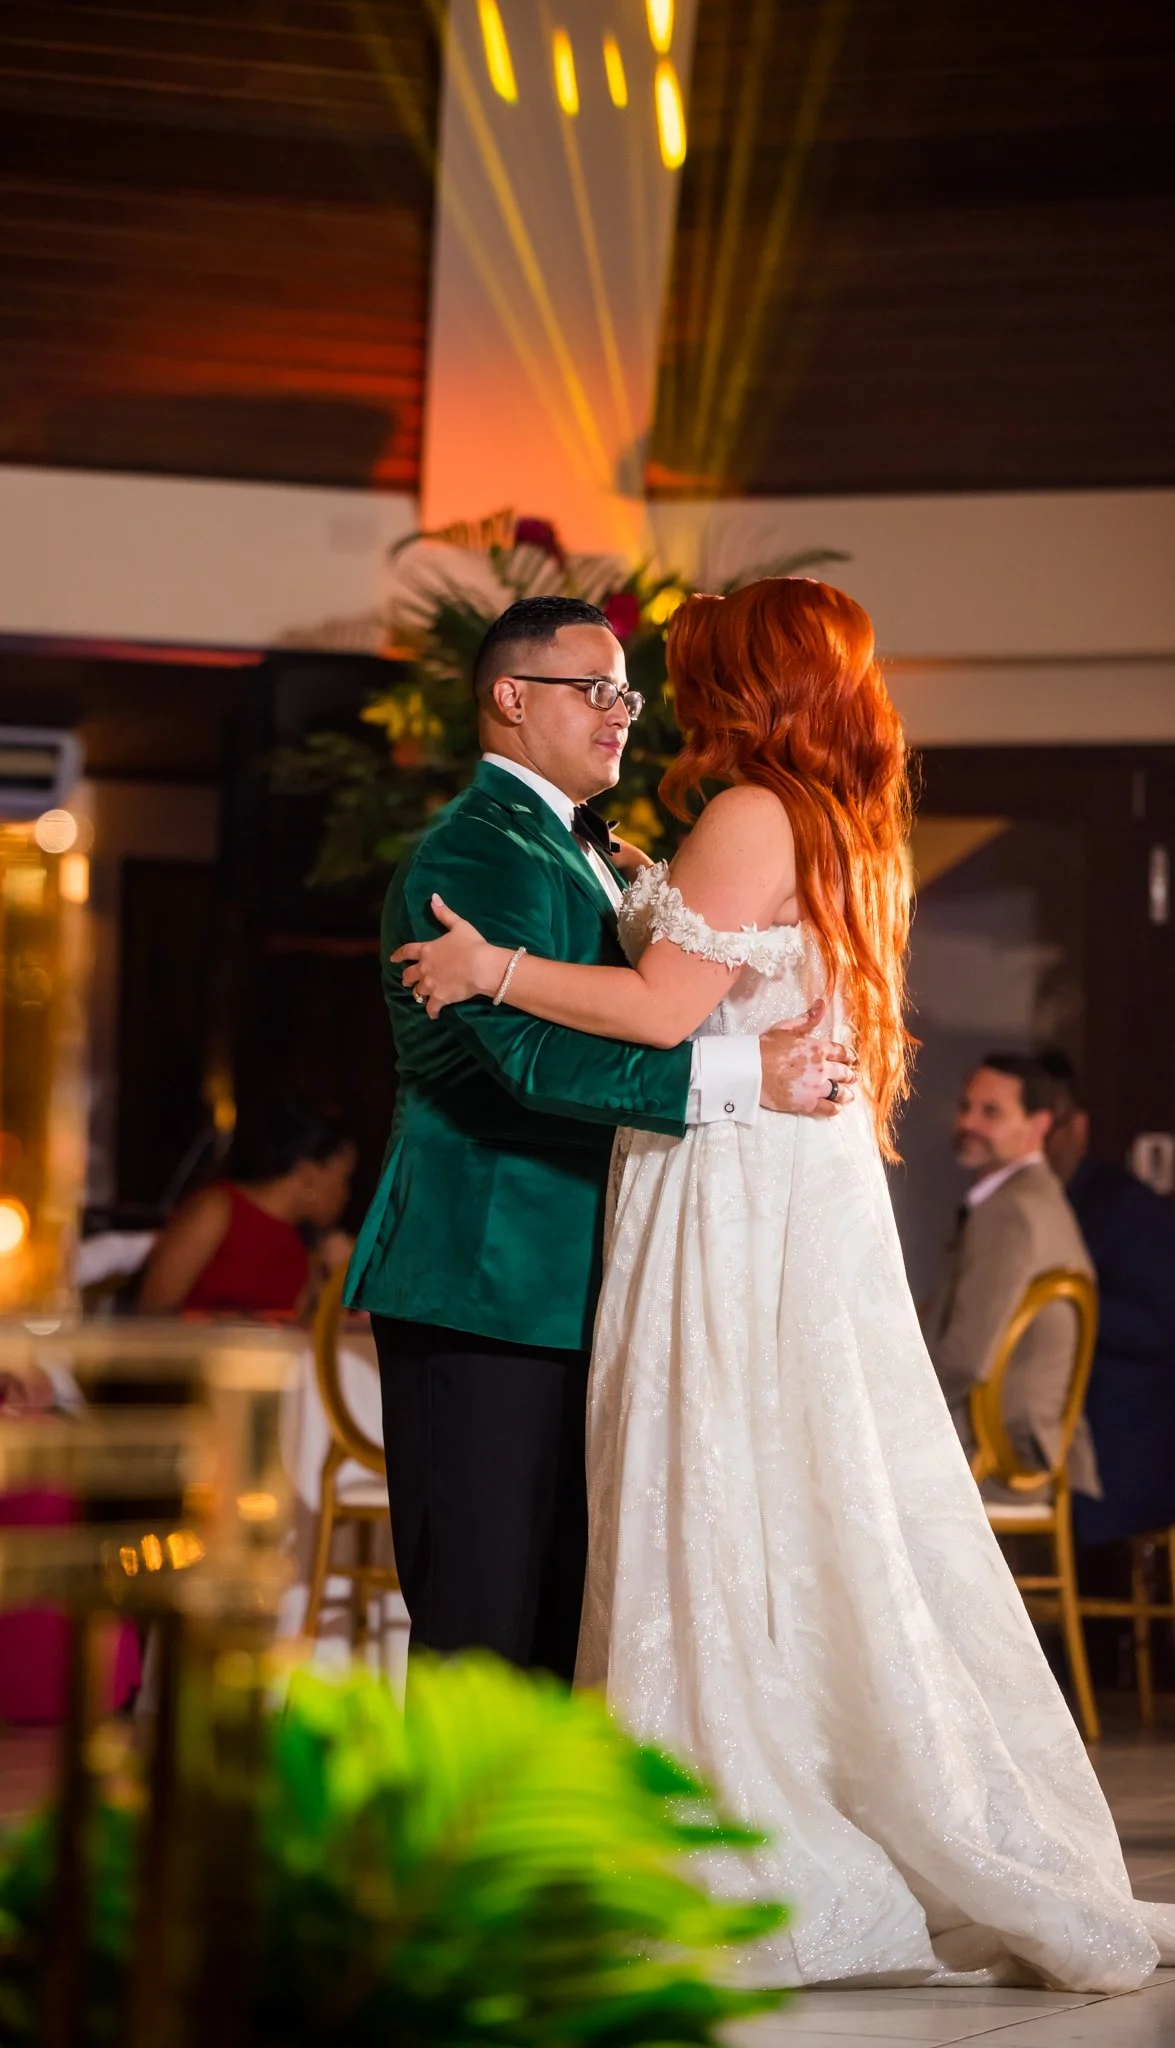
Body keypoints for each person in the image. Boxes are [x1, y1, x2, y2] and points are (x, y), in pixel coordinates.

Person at [394, 578, 1175, 1991]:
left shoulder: (751, 811)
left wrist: (493, 967)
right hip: (773, 1172)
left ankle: (718, 1819)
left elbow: (657, 1008)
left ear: (750, 681)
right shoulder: (840, 821)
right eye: (624, 688)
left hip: (728, 1180)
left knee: (718, 1481)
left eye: (682, 675)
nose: (658, 706)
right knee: (776, 1490)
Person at [345, 593, 856, 1688]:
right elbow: (532, 1061)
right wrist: (740, 1076)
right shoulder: (473, 849)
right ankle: (454, 1862)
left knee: (563, 1622)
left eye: (627, 691)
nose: (622, 711)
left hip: (586, 1283)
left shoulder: (587, 850)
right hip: (485, 1275)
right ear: (510, 697)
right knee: (482, 1619)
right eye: (596, 689)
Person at [920, 1053, 1099, 1498]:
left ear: (1039, 1125)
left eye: (991, 1112)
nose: (969, 1123)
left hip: (999, 1453)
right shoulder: (1039, 1197)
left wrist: (890, 1412)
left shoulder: (1010, 1212)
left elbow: (964, 1356)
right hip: (1025, 1443)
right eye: (966, 1107)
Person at [1040, 1052, 1175, 1545]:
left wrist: (1059, 1308)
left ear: (1076, 1127)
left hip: (1115, 1449)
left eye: (1046, 1122)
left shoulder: (1126, 1210)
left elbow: (1158, 1331)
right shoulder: (998, 1210)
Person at [139, 1100, 355, 1316]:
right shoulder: (219, 1209)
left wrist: (336, 1277)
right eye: (344, 1179)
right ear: (308, 1173)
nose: (346, 1195)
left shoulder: (306, 1246)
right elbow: (152, 1309)